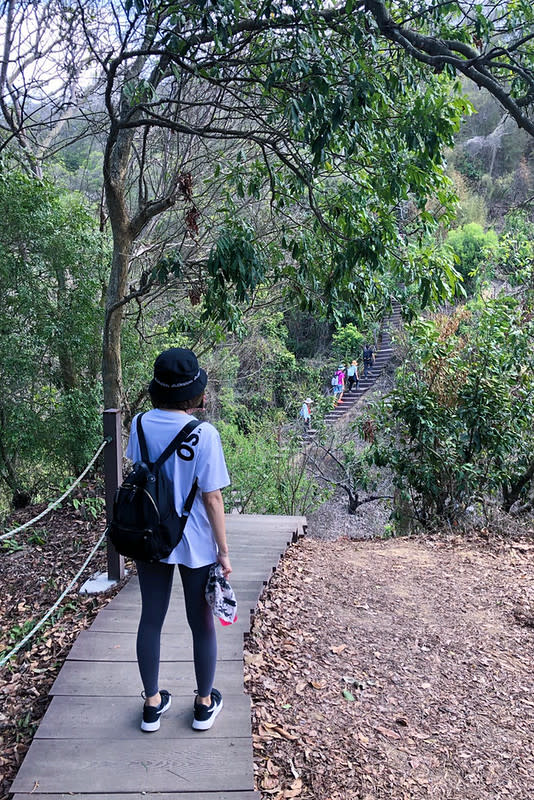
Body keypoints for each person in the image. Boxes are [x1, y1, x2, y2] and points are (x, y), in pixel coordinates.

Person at [126, 347, 232, 733]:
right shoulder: (204, 434)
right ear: (195, 394)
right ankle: (204, 704)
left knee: (150, 619)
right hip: (197, 543)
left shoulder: (139, 424)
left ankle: (152, 705)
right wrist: (224, 552)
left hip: (150, 536)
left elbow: (139, 472)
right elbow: (212, 497)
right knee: (201, 623)